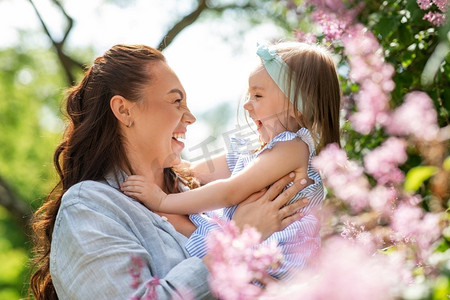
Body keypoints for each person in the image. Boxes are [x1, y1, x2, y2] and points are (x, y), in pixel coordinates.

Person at [29, 44, 310, 300]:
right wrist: (237, 241)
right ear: (124, 111)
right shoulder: (90, 206)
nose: (190, 117)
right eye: (176, 102)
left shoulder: (196, 195)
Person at [121, 42, 341, 279]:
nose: (247, 105)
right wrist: (160, 155)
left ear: (297, 107)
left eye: (257, 95)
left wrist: (161, 200)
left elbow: (229, 192)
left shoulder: (294, 148)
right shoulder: (253, 150)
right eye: (249, 95)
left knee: (196, 239)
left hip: (278, 265)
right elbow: (195, 171)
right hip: (251, 251)